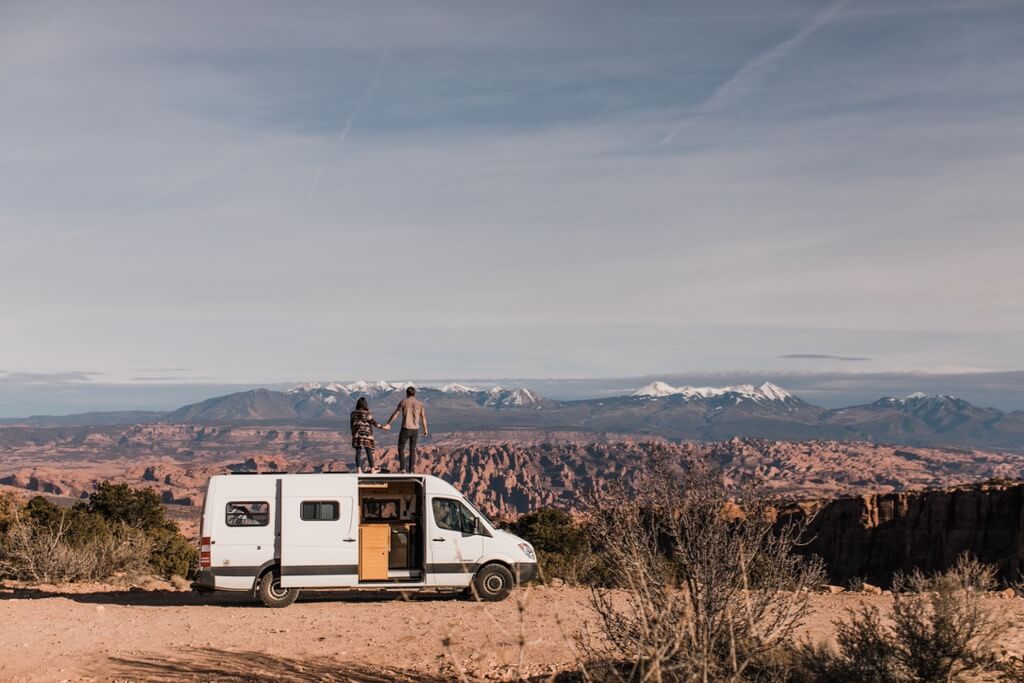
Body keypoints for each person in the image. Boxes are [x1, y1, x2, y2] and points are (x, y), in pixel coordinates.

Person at [386, 386, 428, 473]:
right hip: (415, 429)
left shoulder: (403, 402)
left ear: (407, 394)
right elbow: (423, 418)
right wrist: (425, 429)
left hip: (405, 428)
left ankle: (403, 469)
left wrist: (388, 423)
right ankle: (411, 470)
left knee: (401, 448)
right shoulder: (420, 404)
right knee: (412, 449)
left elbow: (396, 414)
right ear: (414, 394)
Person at [350, 396, 389, 473]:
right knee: (368, 451)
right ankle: (372, 469)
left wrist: (354, 434)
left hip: (357, 435)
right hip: (366, 435)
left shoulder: (353, 414)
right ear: (365, 405)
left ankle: (359, 469)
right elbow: (374, 423)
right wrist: (383, 427)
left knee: (358, 451)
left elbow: (351, 425)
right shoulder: (367, 414)